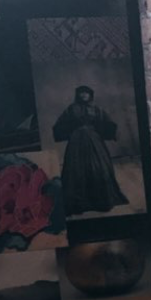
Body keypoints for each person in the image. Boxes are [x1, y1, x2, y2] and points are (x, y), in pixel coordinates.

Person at [52, 84, 128, 216]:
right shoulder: (71, 108)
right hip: (76, 141)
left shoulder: (96, 108)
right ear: (78, 95)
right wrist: (70, 131)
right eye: (81, 93)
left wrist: (111, 132)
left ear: (90, 95)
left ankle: (101, 200)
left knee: (99, 166)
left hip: (94, 140)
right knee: (75, 168)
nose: (84, 95)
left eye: (86, 93)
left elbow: (106, 121)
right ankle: (77, 203)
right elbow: (61, 123)